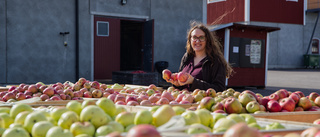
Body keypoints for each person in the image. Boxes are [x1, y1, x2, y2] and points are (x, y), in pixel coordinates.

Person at [167, 21, 233, 92]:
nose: (197, 41)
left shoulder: (216, 61)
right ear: (190, 40)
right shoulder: (187, 57)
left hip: (204, 102)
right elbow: (182, 85)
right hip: (185, 101)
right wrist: (177, 84)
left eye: (201, 37)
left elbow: (220, 89)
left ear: (207, 40)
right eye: (194, 37)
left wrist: (194, 82)